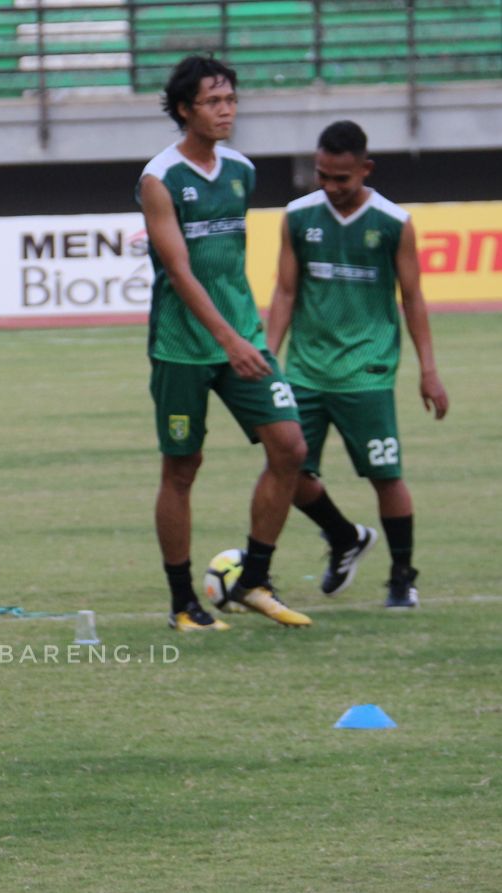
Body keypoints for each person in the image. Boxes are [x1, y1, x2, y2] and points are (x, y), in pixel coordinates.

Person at [137, 55, 312, 631]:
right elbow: (180, 270)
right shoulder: (159, 178)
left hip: (243, 337)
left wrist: (244, 335)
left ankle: (252, 579)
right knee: (182, 468)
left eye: (231, 99)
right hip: (184, 347)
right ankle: (182, 600)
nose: (226, 110)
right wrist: (226, 338)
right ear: (185, 109)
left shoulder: (241, 169)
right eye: (213, 102)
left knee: (289, 447)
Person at [267, 121, 449, 609]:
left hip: (367, 372)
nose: (330, 187)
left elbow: (413, 299)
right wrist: (268, 357)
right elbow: (285, 291)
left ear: (365, 169)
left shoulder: (394, 223)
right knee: (288, 471)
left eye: (341, 179)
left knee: (385, 476)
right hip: (304, 370)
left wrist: (428, 369)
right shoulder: (297, 216)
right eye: (322, 175)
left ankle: (401, 575)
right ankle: (344, 536)